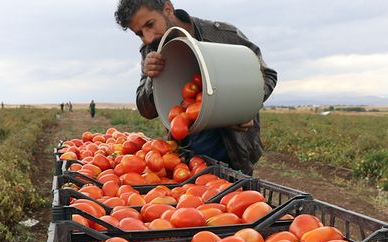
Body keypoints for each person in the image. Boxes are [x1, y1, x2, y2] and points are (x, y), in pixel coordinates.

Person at [115, 0, 277, 175]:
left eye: (150, 24)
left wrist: (244, 107)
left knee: (235, 195)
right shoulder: (152, 48)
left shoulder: (221, 35)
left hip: (235, 150)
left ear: (168, 9)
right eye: (139, 34)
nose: (148, 37)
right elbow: (146, 110)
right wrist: (149, 77)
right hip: (187, 157)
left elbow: (267, 75)